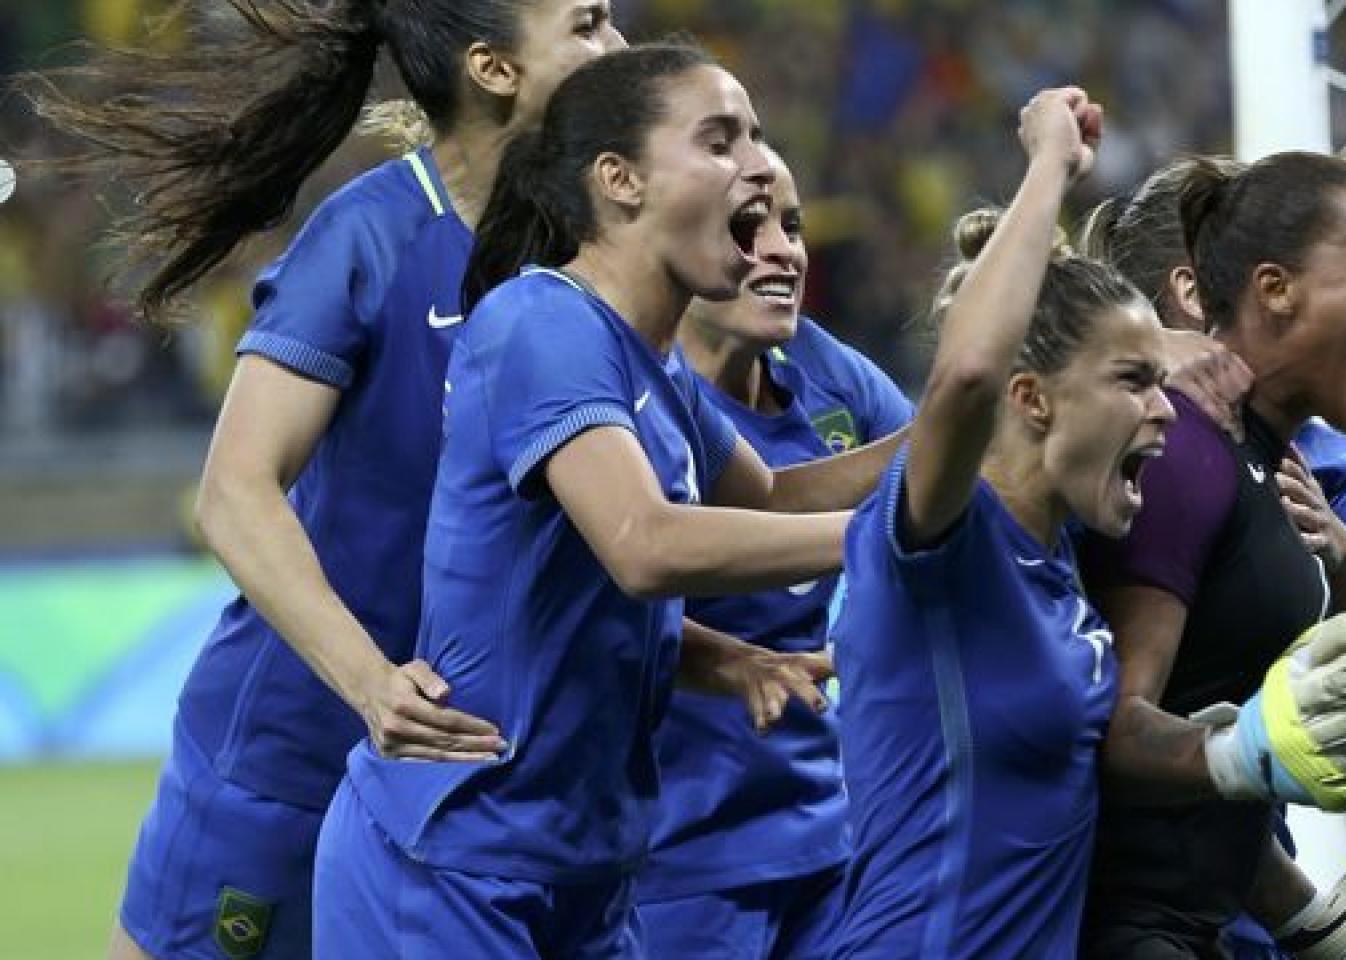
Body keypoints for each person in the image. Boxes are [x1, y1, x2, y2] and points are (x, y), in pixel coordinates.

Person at [21, 3, 628, 958]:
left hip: (479, 793)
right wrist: (370, 685)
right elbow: (235, 492)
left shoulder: (591, 258)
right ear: (494, 68)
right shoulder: (373, 236)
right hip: (297, 759)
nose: (620, 49)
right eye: (589, 24)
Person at [312, 43, 900, 959]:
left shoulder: (655, 366)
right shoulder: (542, 322)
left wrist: (967, 425)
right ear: (619, 180)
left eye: (755, 136)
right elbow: (643, 543)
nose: (757, 164)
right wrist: (884, 532)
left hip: (588, 873)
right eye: (720, 141)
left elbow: (776, 500)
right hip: (458, 860)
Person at [824, 83, 1173, 957]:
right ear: (1033, 398)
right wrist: (1050, 163)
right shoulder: (947, 539)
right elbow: (967, 375)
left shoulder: (1059, 562)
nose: (1164, 409)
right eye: (1134, 381)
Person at [1078, 138, 1346, 960]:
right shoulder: (1180, 449)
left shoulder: (1278, 462)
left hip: (1206, 926)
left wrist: (1322, 933)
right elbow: (1111, 729)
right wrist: (1236, 755)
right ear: (1274, 289)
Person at [636, 145, 913, 959]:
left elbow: (936, 476)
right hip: (671, 853)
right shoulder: (623, 392)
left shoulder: (825, 372)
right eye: (747, 228)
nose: (783, 251)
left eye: (791, 227)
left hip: (827, 839)